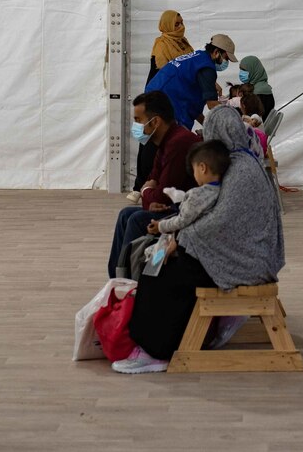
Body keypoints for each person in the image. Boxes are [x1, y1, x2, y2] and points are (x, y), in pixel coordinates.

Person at [112, 106, 285, 374]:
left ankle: (156, 351)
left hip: (245, 263)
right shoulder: (241, 162)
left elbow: (220, 221)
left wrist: (179, 239)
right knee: (164, 269)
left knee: (159, 275)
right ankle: (165, 342)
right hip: (245, 255)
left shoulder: (240, 170)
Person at [107, 91, 200, 278]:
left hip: (184, 211)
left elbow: (158, 195)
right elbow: (153, 180)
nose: (136, 126)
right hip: (173, 206)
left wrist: (147, 190)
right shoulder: (165, 141)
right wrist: (150, 191)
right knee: (126, 214)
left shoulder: (179, 143)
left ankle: (129, 281)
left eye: (138, 120)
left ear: (155, 121)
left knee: (136, 219)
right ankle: (117, 276)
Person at [127, 11, 194, 203]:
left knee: (171, 142)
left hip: (179, 98)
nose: (180, 27)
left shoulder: (186, 45)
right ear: (166, 25)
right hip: (159, 96)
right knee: (149, 142)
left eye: (181, 23)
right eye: (176, 24)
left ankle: (161, 186)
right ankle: (140, 186)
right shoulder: (162, 43)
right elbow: (162, 72)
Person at [145, 34, 238, 130]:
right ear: (216, 52)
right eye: (226, 58)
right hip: (165, 103)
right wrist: (234, 114)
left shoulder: (198, 58)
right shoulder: (206, 67)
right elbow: (212, 104)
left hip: (154, 96)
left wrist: (208, 127)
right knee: (175, 140)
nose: (226, 62)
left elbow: (193, 108)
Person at [146, 140, 229, 236]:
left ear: (202, 168)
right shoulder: (222, 190)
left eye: (194, 169)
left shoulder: (197, 194)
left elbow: (181, 220)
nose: (194, 174)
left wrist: (160, 226)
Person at [238, 56, 275, 120]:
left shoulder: (258, 92)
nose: (241, 73)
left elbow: (251, 116)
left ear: (253, 70)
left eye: (244, 70)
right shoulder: (263, 88)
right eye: (240, 69)